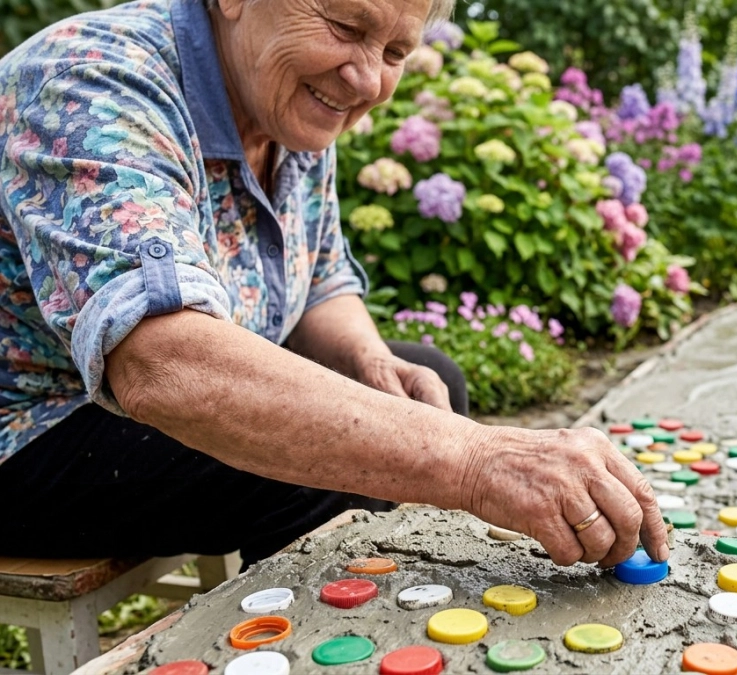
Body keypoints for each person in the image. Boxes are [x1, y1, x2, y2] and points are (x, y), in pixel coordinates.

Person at [0, 0, 668, 571]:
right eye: (347, 26)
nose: (368, 78)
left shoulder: (286, 94)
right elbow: (164, 363)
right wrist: (476, 462)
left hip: (127, 414)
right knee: (310, 464)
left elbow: (319, 277)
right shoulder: (91, 83)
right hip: (32, 430)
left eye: (396, 51)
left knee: (424, 381)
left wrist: (370, 361)